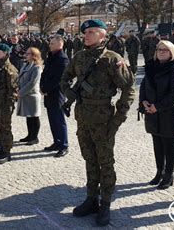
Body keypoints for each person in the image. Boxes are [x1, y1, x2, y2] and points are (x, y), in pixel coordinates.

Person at [60, 19, 135, 227]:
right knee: (89, 159)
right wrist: (70, 95)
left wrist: (118, 118)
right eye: (86, 32)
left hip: (104, 119)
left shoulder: (113, 59)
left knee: (105, 162)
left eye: (92, 32)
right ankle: (91, 198)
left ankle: (106, 203)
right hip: (83, 116)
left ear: (103, 35)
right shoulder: (80, 57)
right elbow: (64, 79)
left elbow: (128, 89)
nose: (87, 35)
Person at [139, 40, 174, 190]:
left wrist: (157, 107)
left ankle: (169, 174)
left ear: (172, 52)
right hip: (152, 111)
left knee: (169, 145)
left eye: (165, 50)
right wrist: (143, 101)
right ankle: (160, 171)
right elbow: (144, 86)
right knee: (157, 143)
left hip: (168, 112)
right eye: (159, 49)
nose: (161, 52)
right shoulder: (151, 66)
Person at [40, 35, 70, 157]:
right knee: (52, 120)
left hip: (57, 94)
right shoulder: (51, 57)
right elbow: (44, 73)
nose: (50, 45)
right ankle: (56, 142)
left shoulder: (63, 59)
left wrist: (46, 88)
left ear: (60, 44)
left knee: (59, 120)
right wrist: (42, 87)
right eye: (50, 43)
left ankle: (64, 145)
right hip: (48, 93)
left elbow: (58, 79)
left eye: (52, 43)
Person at [16, 47, 43, 145]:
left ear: (33, 55)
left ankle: (35, 137)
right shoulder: (25, 65)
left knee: (34, 117)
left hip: (32, 95)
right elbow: (20, 78)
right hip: (25, 94)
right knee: (28, 116)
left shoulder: (37, 67)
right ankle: (29, 135)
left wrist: (21, 92)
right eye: (26, 53)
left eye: (28, 54)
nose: (25, 55)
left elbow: (32, 83)